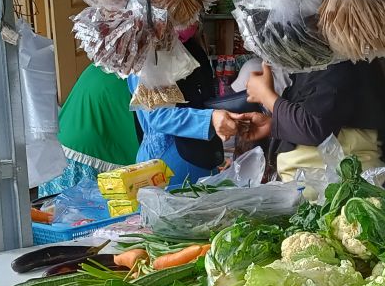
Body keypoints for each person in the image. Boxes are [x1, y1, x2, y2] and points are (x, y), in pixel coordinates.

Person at [241, 59, 385, 191]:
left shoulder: (339, 59)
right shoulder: (316, 61)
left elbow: (315, 127)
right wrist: (274, 124)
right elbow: (325, 119)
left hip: (346, 198)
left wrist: (266, 96)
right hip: (317, 196)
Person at [128, 26, 239, 186]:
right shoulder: (147, 54)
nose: (193, 20)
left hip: (204, 153)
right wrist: (210, 119)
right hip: (167, 161)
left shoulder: (191, 47)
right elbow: (159, 116)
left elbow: (203, 96)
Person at [37, 64, 142, 198]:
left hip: (64, 143)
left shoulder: (105, 62)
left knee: (59, 212)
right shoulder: (141, 76)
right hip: (87, 154)